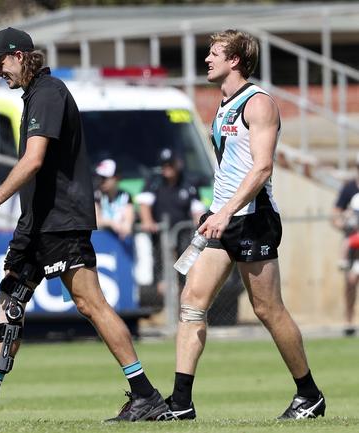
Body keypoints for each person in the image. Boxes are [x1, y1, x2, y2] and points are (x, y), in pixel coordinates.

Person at [0, 27, 168, 423]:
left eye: (0, 62)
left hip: (61, 221)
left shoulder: (48, 92)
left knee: (90, 304)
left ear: (21, 56)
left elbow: (33, 160)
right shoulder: (33, 95)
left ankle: (146, 395)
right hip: (36, 222)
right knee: (10, 300)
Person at [157, 29, 325, 421]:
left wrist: (226, 211)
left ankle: (310, 395)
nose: (207, 59)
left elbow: (262, 167)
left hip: (253, 220)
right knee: (191, 305)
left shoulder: (258, 102)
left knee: (268, 310)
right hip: (222, 219)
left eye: (214, 53)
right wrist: (215, 212)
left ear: (235, 60)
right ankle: (181, 403)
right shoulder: (222, 103)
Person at [137, 148, 205, 294]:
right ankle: (161, 296)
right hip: (160, 233)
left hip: (183, 233)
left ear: (177, 164)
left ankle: (183, 292)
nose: (167, 168)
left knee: (185, 264)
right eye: (164, 165)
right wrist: (148, 221)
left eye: (170, 164)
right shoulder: (154, 182)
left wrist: (199, 228)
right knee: (160, 264)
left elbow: (197, 209)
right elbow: (144, 204)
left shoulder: (188, 183)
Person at [331, 156, 359, 337]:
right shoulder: (349, 189)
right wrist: (344, 222)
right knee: (350, 281)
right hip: (354, 245)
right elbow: (335, 215)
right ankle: (349, 320)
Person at [94, 158, 134, 240]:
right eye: (99, 178)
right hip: (99, 242)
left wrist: (123, 228)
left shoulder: (126, 197)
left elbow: (128, 226)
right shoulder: (96, 196)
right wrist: (111, 223)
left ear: (116, 178)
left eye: (104, 178)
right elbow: (95, 221)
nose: (101, 181)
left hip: (119, 243)